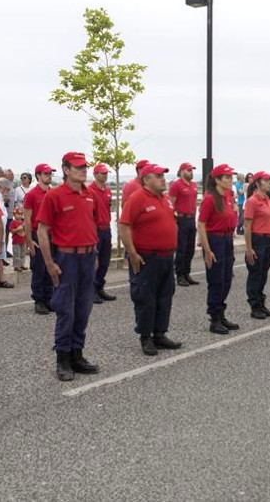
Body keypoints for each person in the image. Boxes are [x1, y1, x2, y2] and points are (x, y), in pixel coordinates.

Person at [36, 152, 101, 382]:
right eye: (78, 167)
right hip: (66, 260)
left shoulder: (90, 194)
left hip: (87, 258)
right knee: (66, 310)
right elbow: (42, 230)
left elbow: (90, 224)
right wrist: (49, 263)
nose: (84, 170)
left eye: (85, 167)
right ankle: (62, 358)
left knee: (83, 309)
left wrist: (94, 253)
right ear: (65, 170)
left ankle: (77, 354)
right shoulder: (54, 196)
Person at [119, 163, 183, 356]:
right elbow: (124, 226)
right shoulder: (137, 198)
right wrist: (132, 253)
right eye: (158, 176)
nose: (163, 179)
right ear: (146, 179)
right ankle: (146, 336)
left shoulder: (165, 199)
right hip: (147, 257)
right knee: (145, 298)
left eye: (163, 175)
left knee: (165, 296)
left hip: (166, 257)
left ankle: (160, 334)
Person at [197, 164, 241, 334]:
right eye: (227, 177)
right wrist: (207, 250)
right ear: (217, 180)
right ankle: (214, 318)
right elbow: (201, 224)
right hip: (214, 240)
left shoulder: (229, 195)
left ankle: (221, 313)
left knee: (227, 278)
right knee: (216, 280)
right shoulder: (210, 199)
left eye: (231, 177)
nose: (230, 180)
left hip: (227, 239)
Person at [244, 171, 270, 319]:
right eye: (266, 180)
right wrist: (249, 248)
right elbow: (247, 225)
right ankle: (254, 306)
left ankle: (261, 302)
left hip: (268, 241)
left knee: (263, 274)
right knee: (255, 274)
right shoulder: (253, 201)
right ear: (258, 183)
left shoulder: (267, 200)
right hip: (257, 240)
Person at [25, 163, 56, 314]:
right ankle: (38, 300)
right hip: (37, 233)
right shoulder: (31, 195)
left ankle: (49, 298)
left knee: (50, 266)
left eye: (50, 173)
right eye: (46, 174)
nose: (49, 176)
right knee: (39, 268)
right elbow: (27, 219)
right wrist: (29, 240)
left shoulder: (53, 193)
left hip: (51, 234)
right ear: (38, 176)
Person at [88, 163, 117, 303]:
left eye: (106, 173)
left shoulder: (107, 190)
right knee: (95, 262)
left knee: (105, 262)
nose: (105, 176)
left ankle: (100, 287)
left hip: (107, 228)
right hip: (96, 229)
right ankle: (91, 291)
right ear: (95, 174)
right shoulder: (90, 191)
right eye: (102, 173)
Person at [169, 162, 200, 288]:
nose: (191, 172)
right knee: (181, 249)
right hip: (181, 219)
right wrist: (173, 220)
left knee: (190, 249)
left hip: (191, 219)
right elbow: (171, 204)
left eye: (191, 170)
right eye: (188, 170)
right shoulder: (176, 185)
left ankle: (187, 273)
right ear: (181, 171)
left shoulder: (194, 185)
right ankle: (179, 275)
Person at [9, 207, 27, 272]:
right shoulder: (13, 222)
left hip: (23, 240)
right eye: (17, 214)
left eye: (20, 214)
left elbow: (26, 230)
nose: (19, 215)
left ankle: (22, 264)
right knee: (17, 253)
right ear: (14, 215)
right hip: (16, 241)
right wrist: (17, 229)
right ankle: (16, 266)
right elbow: (11, 231)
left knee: (22, 253)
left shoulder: (23, 222)